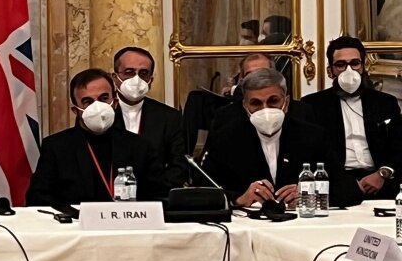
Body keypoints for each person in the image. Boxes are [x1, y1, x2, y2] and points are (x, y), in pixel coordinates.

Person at [201, 68, 356, 208]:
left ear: (286, 102)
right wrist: (238, 199)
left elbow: (349, 189)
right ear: (245, 106)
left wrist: (310, 194)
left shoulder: (313, 136)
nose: (265, 109)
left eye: (273, 101)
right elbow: (202, 191)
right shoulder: (225, 140)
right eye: (255, 103)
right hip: (248, 223)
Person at [28, 68, 168, 206]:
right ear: (76, 110)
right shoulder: (56, 147)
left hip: (128, 219)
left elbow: (160, 196)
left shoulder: (140, 146)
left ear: (115, 102)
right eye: (88, 101)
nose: (98, 106)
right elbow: (38, 197)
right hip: (78, 219)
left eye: (104, 98)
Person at [301, 36, 401, 200]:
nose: (349, 70)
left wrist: (383, 173)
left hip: (381, 179)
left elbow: (399, 145)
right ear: (330, 71)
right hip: (336, 183)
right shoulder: (312, 105)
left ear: (363, 66)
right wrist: (345, 183)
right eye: (341, 65)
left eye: (355, 63)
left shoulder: (385, 103)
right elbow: (311, 152)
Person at [111, 47, 187, 187]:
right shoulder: (102, 114)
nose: (136, 79)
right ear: (115, 78)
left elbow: (178, 165)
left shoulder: (170, 117)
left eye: (143, 73)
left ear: (150, 80)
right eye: (129, 72)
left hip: (157, 194)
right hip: (110, 192)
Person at [212, 53, 315, 131]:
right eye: (250, 75)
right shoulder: (224, 116)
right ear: (242, 80)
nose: (257, 79)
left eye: (262, 73)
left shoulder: (302, 112)